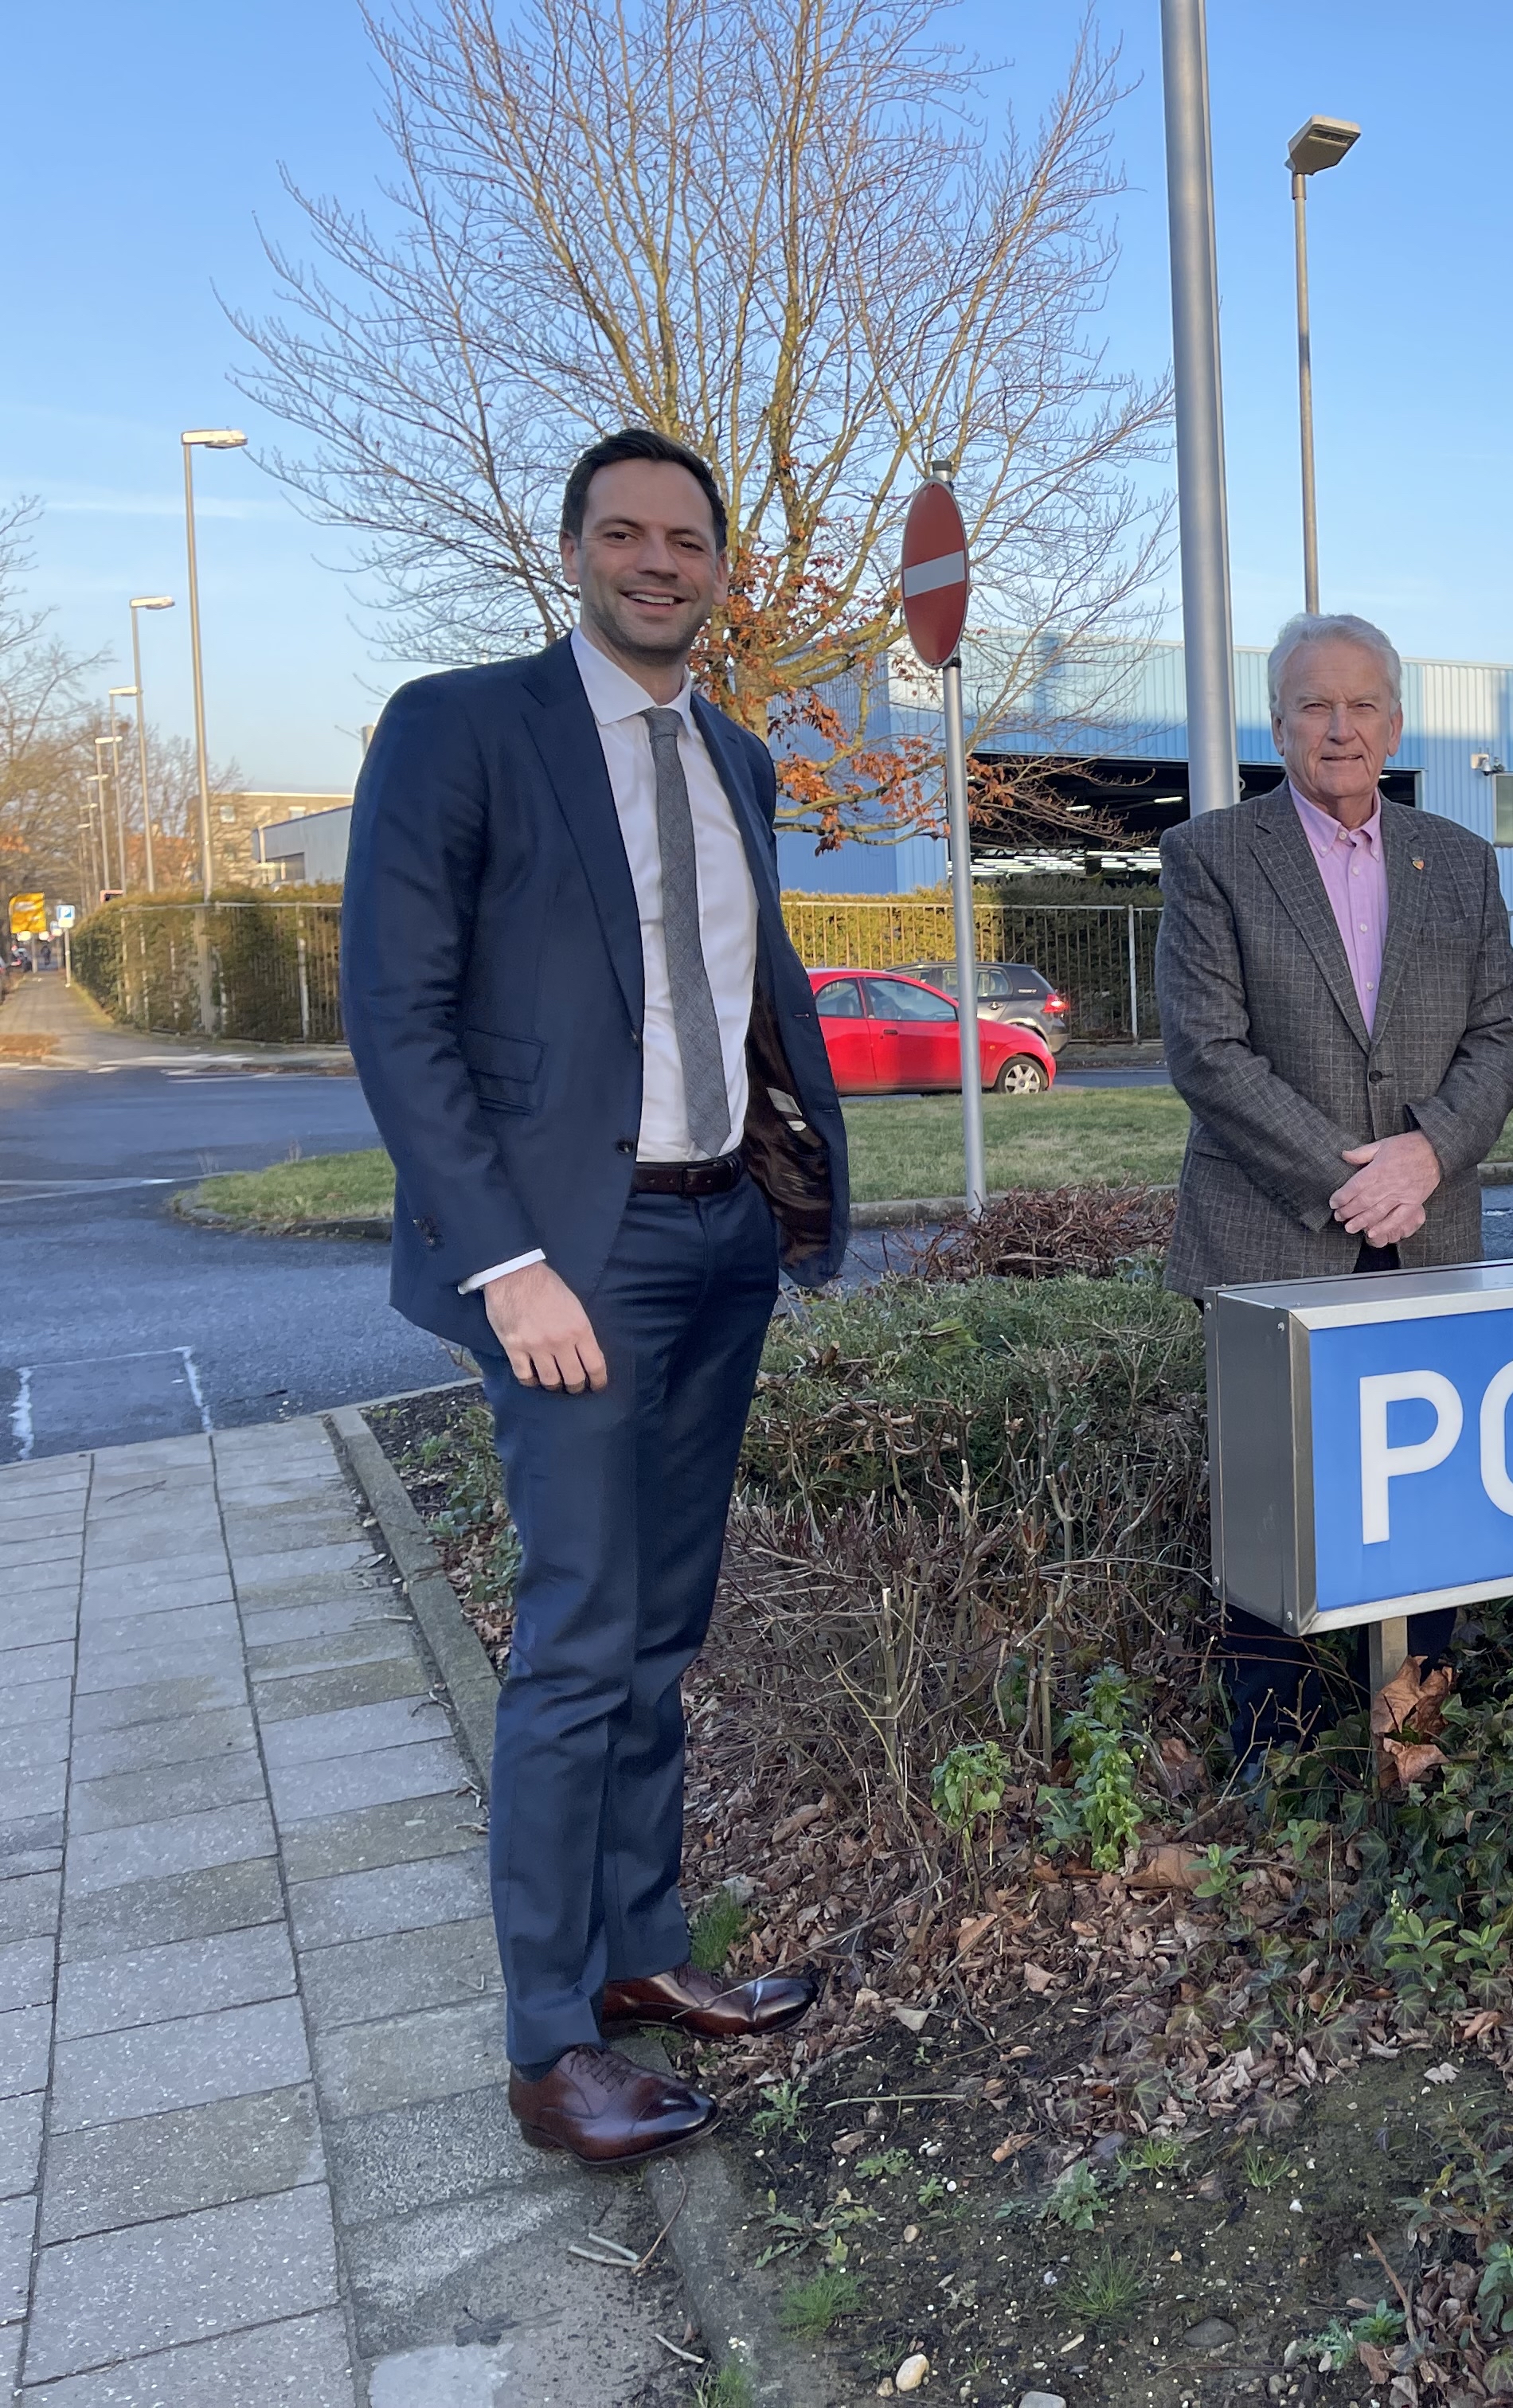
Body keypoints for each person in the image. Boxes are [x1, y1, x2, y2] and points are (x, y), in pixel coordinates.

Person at [342, 428, 850, 2164]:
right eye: (624, 533)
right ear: (571, 553)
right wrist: (506, 1263)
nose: (659, 560)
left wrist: (786, 1190)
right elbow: (398, 1017)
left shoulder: (738, 758)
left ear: (721, 566)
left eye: (687, 537)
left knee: (660, 1634)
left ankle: (642, 1957)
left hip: (719, 1247)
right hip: (570, 1256)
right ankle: (547, 2042)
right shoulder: (460, 726)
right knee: (574, 1646)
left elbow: (742, 988)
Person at [1157, 612, 1513, 1774]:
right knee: (1276, 1504)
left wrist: (1428, 1154)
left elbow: (1503, 1031)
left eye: (1363, 703)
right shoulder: (1214, 853)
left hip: (1431, 1228)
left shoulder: (1459, 862)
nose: (1340, 725)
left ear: (1397, 723)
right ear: (1277, 723)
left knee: (1432, 1500)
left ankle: (1411, 1735)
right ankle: (1279, 1751)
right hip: (1275, 1234)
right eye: (1315, 704)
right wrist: (1349, 1182)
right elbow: (1207, 1053)